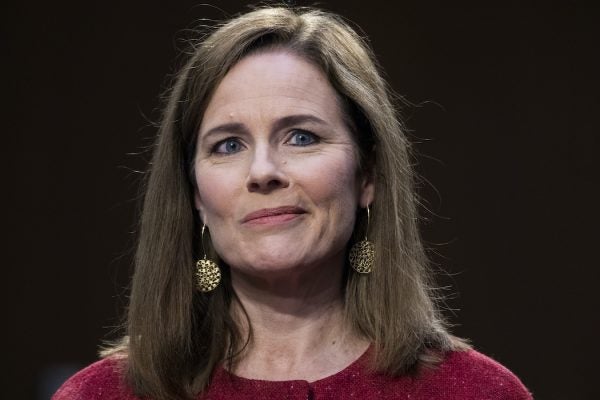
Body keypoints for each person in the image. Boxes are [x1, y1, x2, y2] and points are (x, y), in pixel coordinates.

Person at [53, 6, 532, 400]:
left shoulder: (476, 391)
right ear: (196, 195)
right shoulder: (100, 395)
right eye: (228, 145)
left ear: (368, 174)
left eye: (301, 137)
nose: (263, 172)